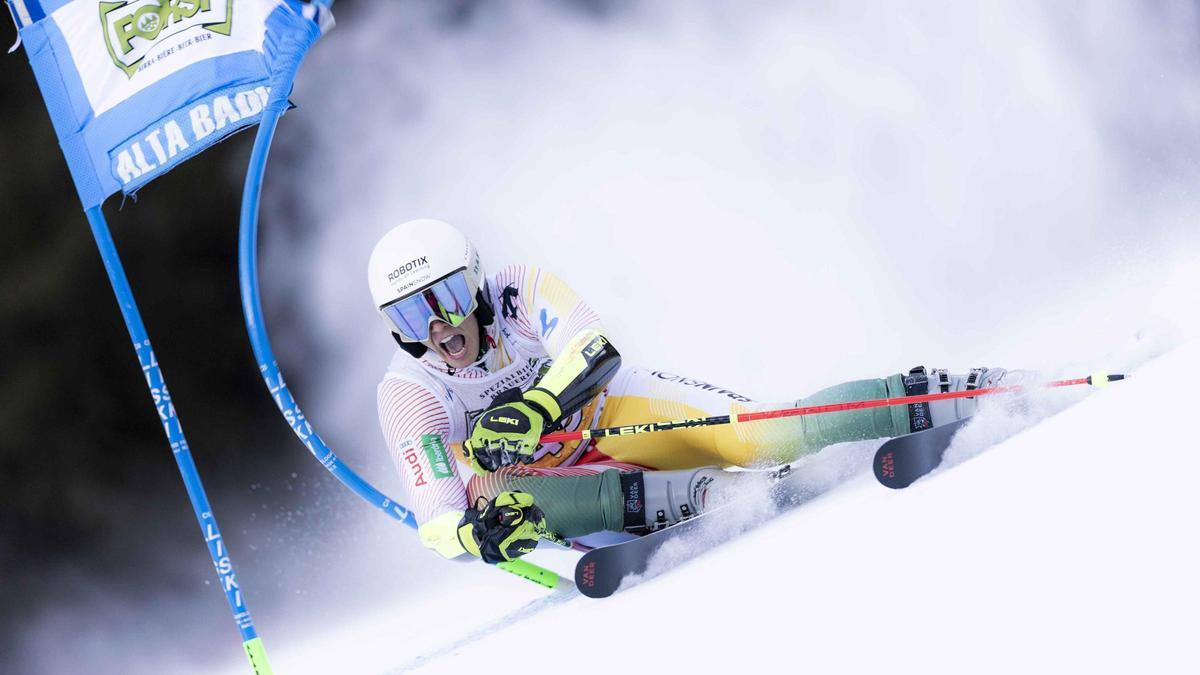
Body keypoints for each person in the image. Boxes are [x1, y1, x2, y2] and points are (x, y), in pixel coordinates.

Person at [369, 219, 1010, 564]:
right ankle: (705, 495)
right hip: (556, 493)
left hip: (613, 414)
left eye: (447, 299)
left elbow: (593, 347)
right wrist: (473, 539)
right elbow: (438, 522)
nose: (440, 329)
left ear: (475, 285)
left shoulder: (516, 290)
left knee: (769, 432)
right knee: (489, 497)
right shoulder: (410, 393)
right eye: (410, 319)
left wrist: (535, 407)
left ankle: (943, 392)